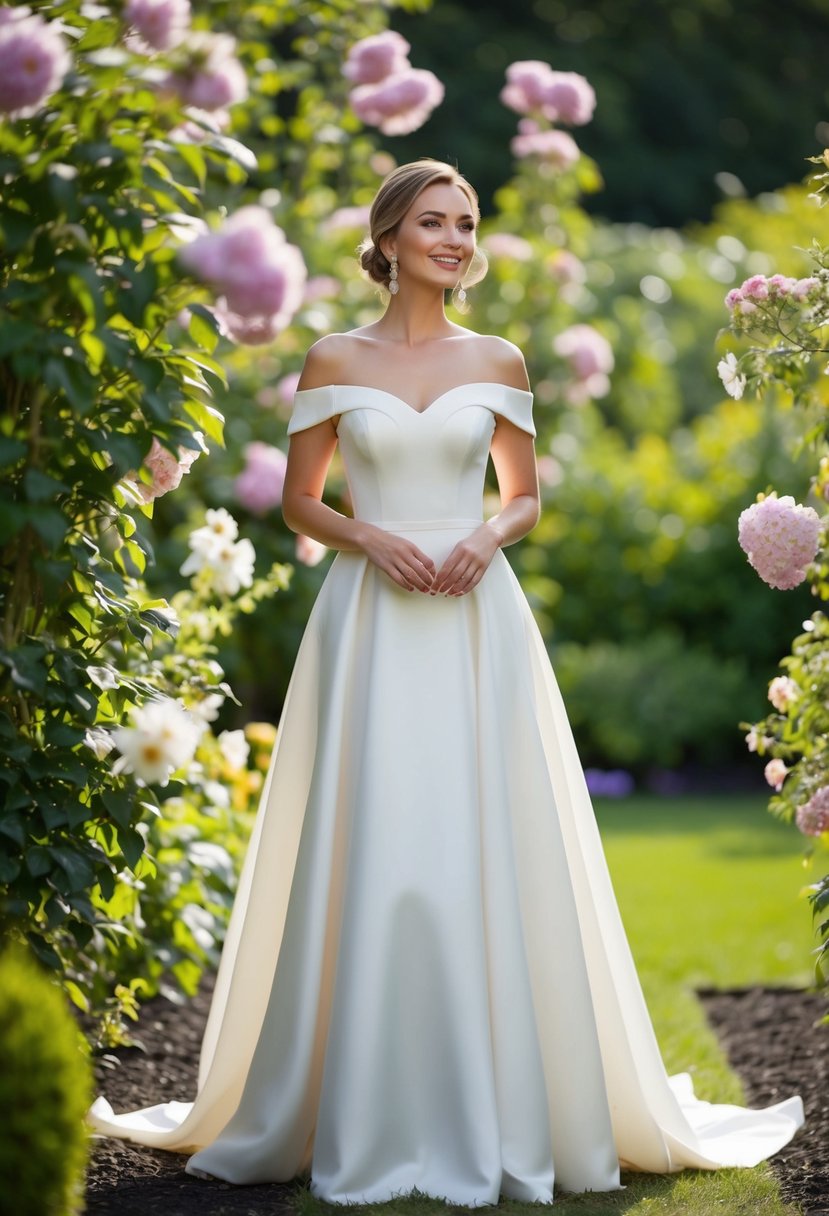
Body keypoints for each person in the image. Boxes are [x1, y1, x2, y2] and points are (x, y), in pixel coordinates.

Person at [87, 158, 804, 1206]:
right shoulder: (334, 355)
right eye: (435, 222)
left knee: (486, 836)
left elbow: (523, 497)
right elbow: (300, 503)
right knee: (374, 832)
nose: (457, 240)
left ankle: (504, 1096)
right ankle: (359, 1099)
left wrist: (482, 538)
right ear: (388, 235)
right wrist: (373, 539)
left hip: (476, 619)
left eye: (467, 223)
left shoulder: (499, 356)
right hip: (371, 620)